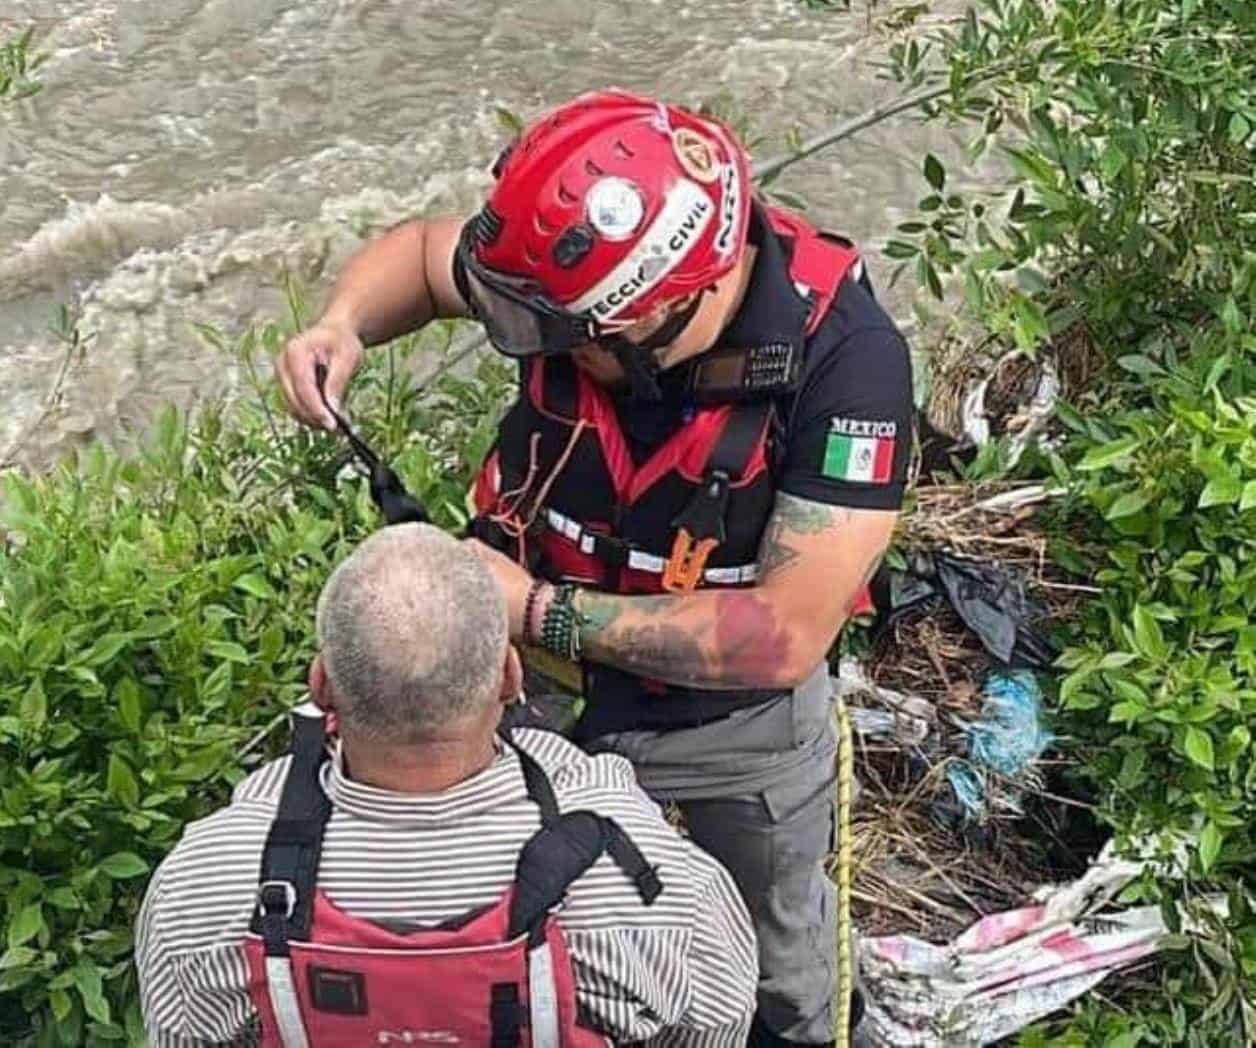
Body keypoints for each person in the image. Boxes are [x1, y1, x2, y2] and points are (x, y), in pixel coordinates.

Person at [276, 89, 912, 1046]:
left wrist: (531, 609)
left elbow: (782, 635)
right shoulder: (565, 280)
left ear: (669, 308)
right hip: (529, 694)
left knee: (784, 961)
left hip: (724, 721)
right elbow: (418, 256)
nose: (542, 348)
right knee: (518, 902)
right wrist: (343, 326)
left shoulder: (849, 366)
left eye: (564, 339)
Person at [136, 523, 758, 1045]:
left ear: (321, 686)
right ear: (511, 676)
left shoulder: (204, 886)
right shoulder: (651, 888)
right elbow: (719, 1024)